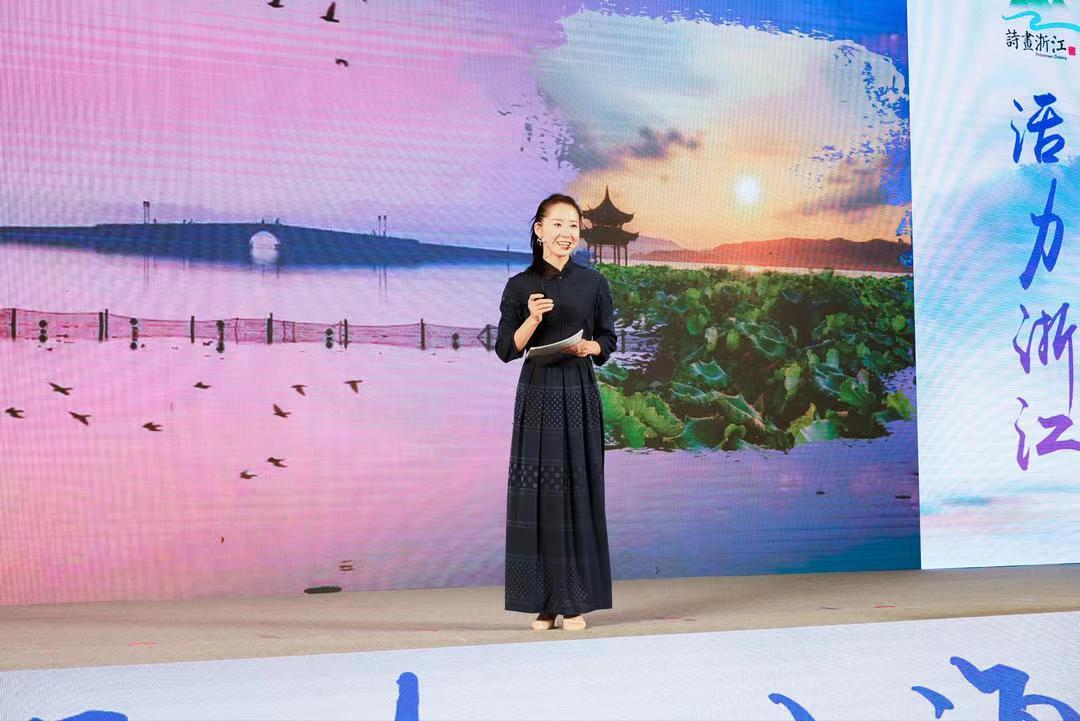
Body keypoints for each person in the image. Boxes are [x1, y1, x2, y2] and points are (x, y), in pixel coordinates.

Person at [495, 193, 617, 631]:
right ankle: (544, 603)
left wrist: (591, 347)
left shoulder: (594, 283)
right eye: (558, 224)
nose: (567, 233)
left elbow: (608, 339)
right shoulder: (519, 285)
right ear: (539, 230)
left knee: (578, 491)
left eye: (573, 226)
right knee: (538, 495)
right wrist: (531, 319)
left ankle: (574, 601)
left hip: (579, 389)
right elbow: (506, 349)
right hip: (537, 392)